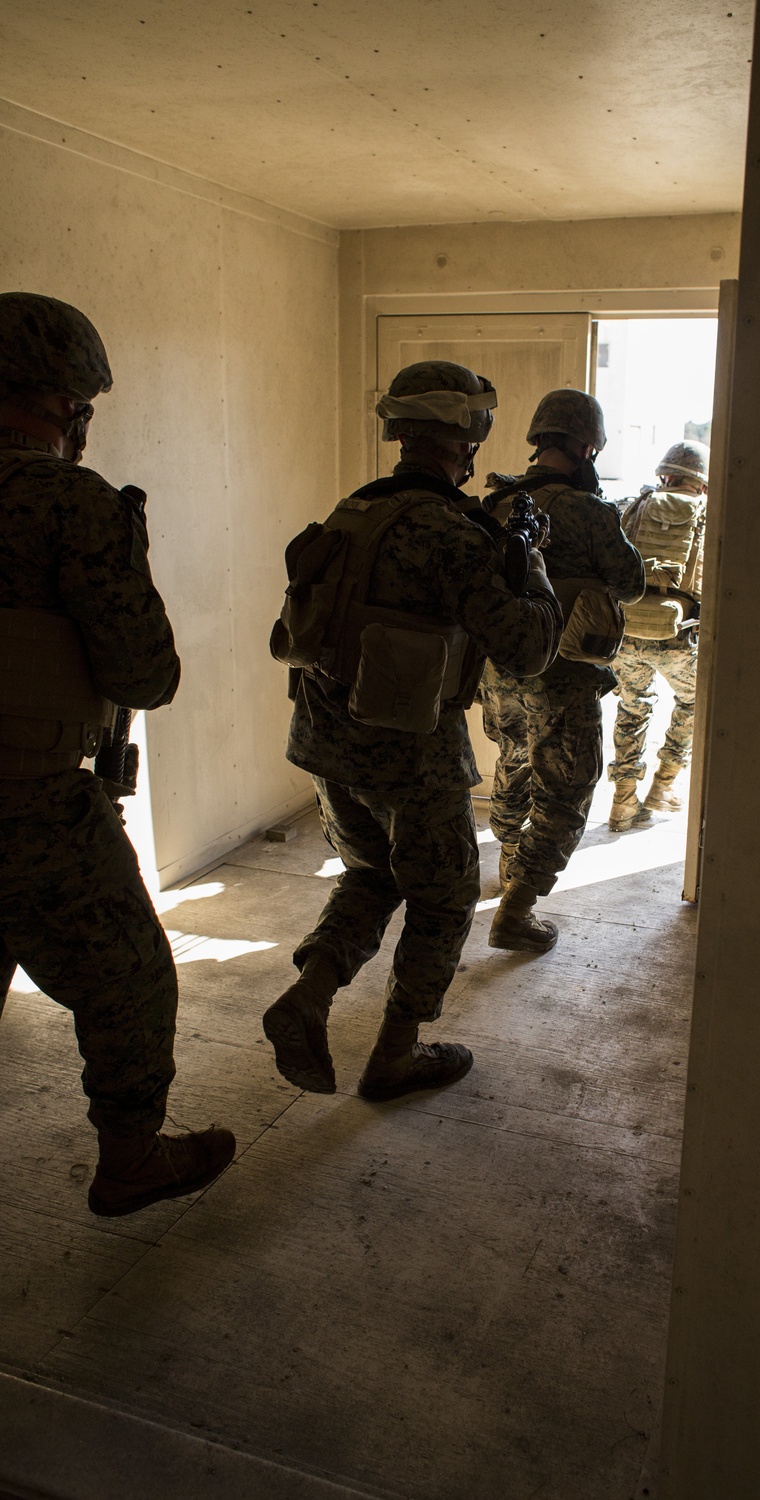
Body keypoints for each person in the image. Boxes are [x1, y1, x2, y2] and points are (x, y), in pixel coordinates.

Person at [262, 361, 561, 1099]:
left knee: (370, 874)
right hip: (410, 758)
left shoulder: (352, 511)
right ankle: (395, 1053)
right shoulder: (455, 534)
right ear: (467, 433)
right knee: (444, 896)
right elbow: (526, 649)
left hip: (325, 744)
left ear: (400, 432)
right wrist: (534, 565)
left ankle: (310, 993)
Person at [0, 292, 235, 1216]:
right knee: (131, 978)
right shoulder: (72, 504)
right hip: (31, 799)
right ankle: (132, 1157)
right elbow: (144, 675)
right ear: (67, 406)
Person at [479, 389, 645, 953]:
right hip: (565, 677)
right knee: (567, 791)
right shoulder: (589, 511)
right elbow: (631, 583)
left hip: (500, 674)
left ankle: (507, 860)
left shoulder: (496, 503)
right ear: (587, 447)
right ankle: (517, 910)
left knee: (513, 759)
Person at [607, 439, 709, 831]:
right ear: (701, 482)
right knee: (695, 702)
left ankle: (622, 802)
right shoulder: (708, 513)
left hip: (628, 631)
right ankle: (663, 786)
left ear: (665, 474)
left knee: (632, 708)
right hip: (679, 636)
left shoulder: (636, 505)